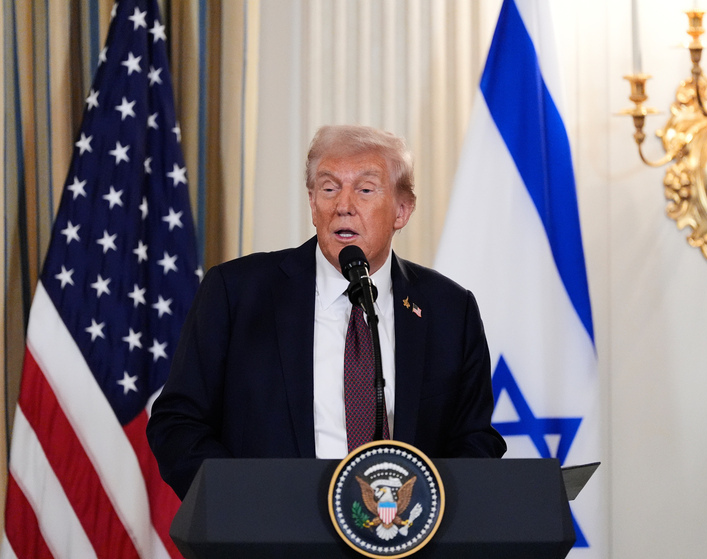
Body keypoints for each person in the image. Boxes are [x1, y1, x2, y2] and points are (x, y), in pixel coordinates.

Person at [147, 125, 506, 499]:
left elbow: (474, 439)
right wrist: (241, 503)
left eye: (365, 190)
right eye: (329, 188)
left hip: (399, 525)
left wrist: (427, 509)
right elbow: (178, 422)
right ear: (312, 204)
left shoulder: (449, 310)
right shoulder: (237, 292)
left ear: (402, 211)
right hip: (269, 526)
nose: (343, 206)